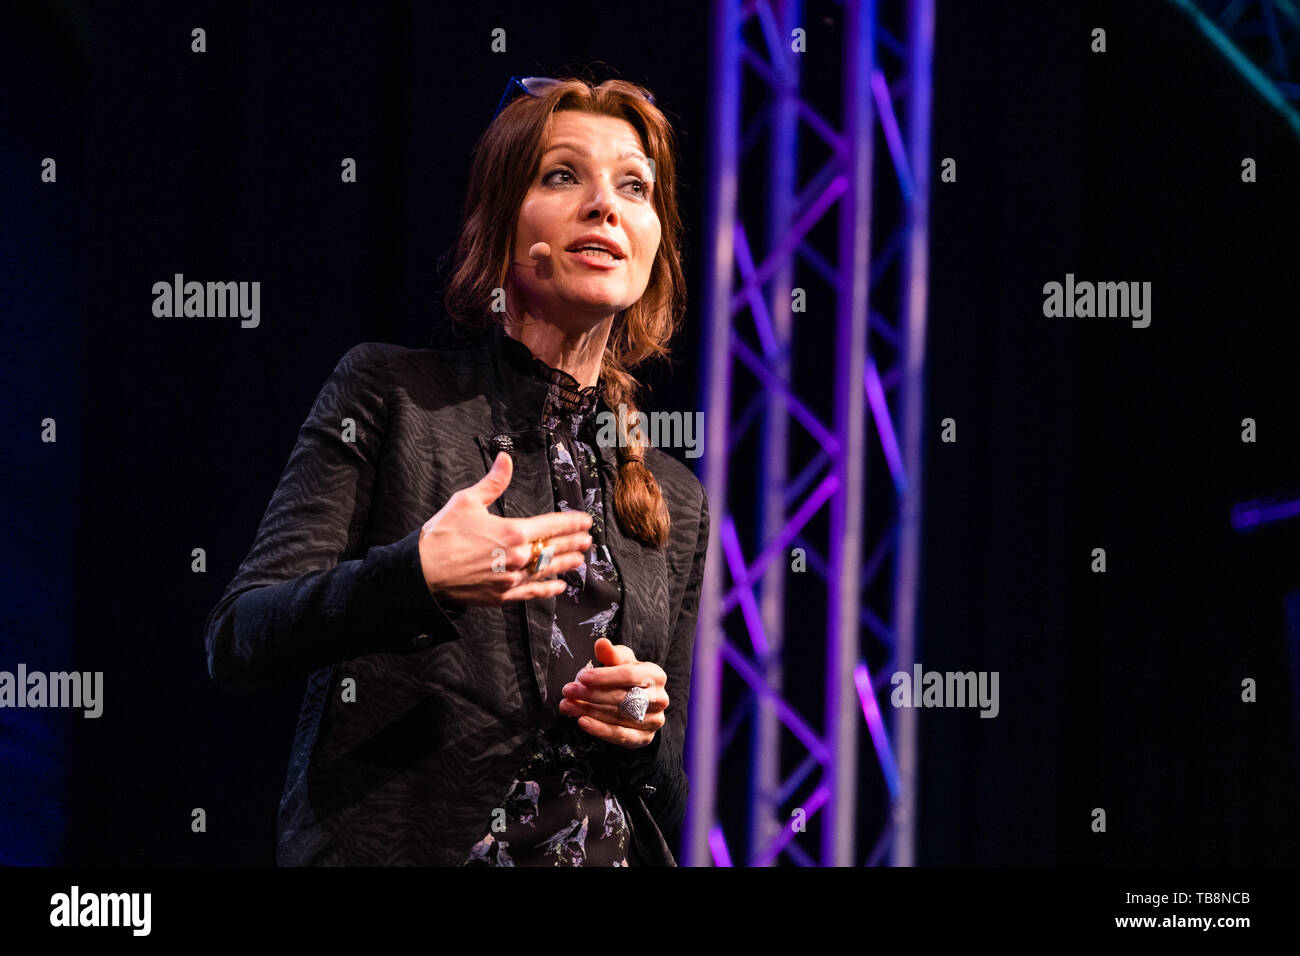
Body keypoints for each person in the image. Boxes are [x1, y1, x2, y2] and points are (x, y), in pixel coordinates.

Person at [203, 74, 709, 866]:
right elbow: (239, 636)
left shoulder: (674, 496)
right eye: (562, 175)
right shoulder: (392, 396)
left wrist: (640, 727)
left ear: (653, 245)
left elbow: (670, 793)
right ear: (502, 224)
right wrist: (416, 575)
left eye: (634, 186)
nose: (605, 205)